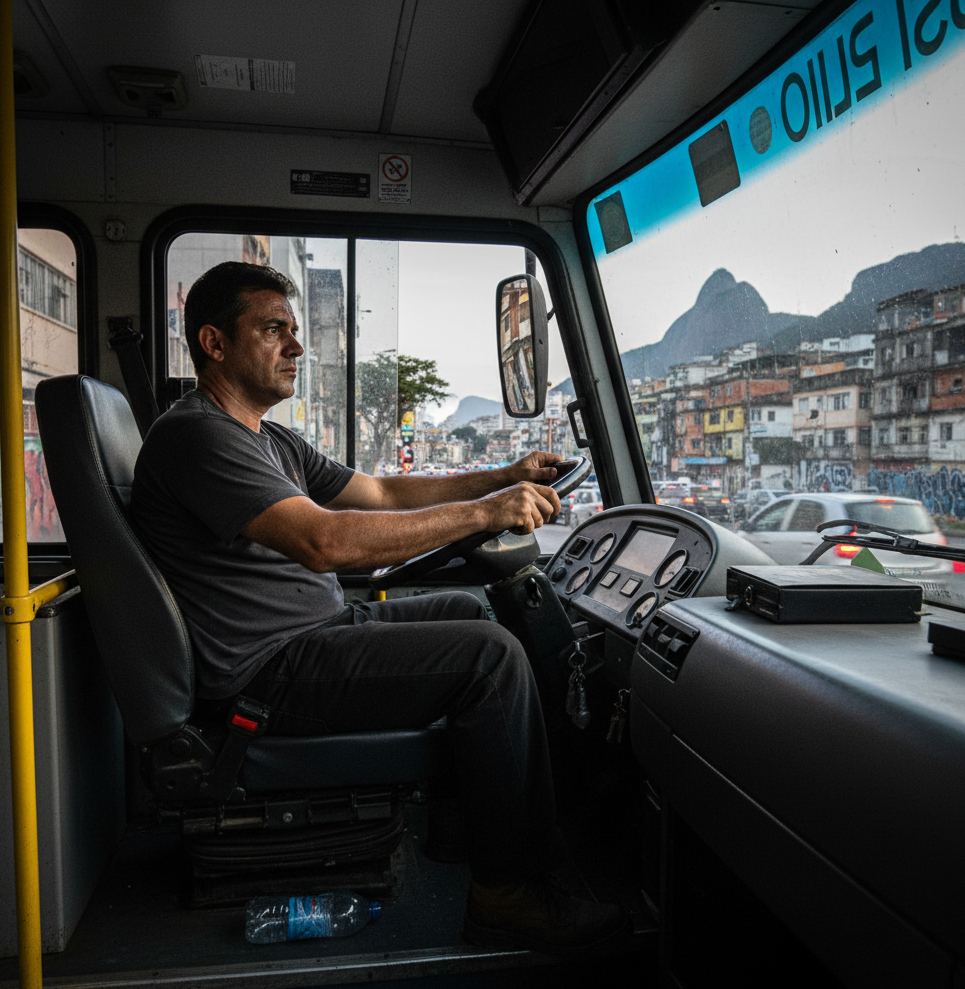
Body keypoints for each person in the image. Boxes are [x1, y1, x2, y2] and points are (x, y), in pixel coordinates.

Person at [131, 260, 630, 952]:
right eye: (274, 330)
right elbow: (324, 541)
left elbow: (383, 495)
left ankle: (468, 823)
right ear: (215, 344)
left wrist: (502, 478)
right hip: (270, 671)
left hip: (319, 632)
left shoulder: (266, 437)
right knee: (490, 658)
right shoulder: (196, 434)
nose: (296, 348)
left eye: (295, 330)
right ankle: (507, 894)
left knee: (472, 613)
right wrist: (484, 513)